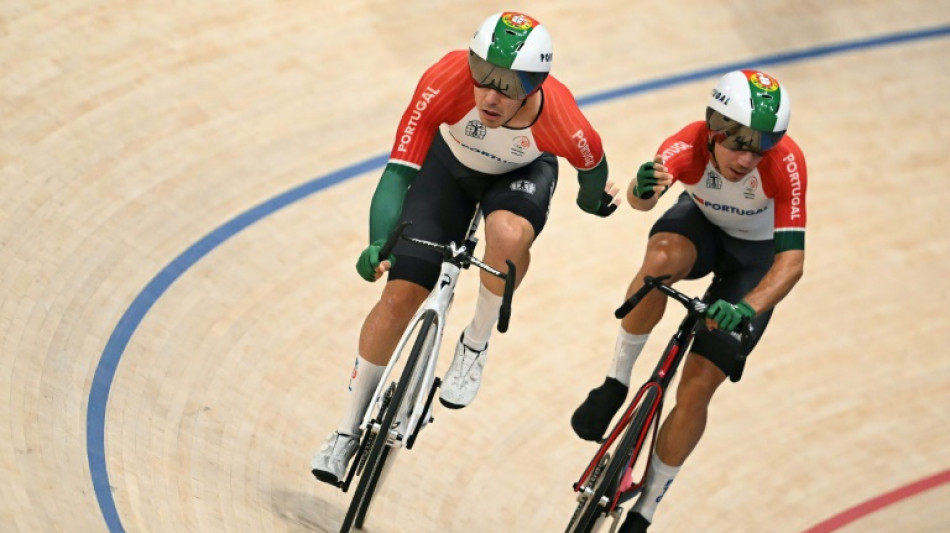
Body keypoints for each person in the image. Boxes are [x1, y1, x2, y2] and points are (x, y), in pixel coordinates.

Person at [311, 11, 620, 486]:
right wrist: (377, 240)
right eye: (483, 76)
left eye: (509, 85)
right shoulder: (445, 80)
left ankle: (475, 341)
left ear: (535, 86)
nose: (491, 95)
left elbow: (593, 171)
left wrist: (593, 203)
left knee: (508, 235)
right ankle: (345, 430)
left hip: (520, 178)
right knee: (398, 298)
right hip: (449, 169)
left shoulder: (563, 120)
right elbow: (398, 172)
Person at [570, 69, 807, 532]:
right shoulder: (689, 143)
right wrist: (642, 189)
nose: (748, 158)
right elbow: (645, 201)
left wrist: (745, 308)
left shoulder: (786, 164)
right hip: (702, 231)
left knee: (698, 385)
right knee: (659, 261)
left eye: (762, 147)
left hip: (754, 264)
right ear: (715, 129)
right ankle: (615, 383)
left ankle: (647, 507)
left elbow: (791, 263)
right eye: (739, 144)